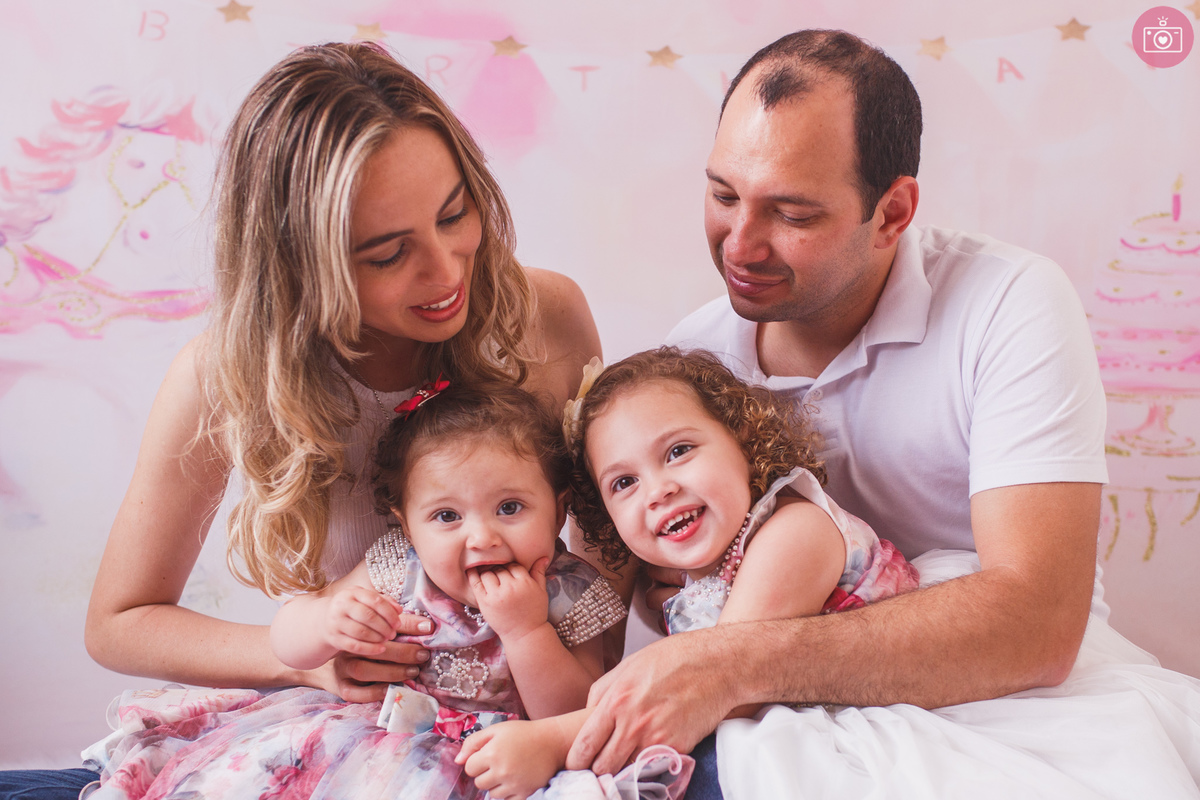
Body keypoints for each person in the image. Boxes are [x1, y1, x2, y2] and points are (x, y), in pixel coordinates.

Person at [566, 29, 1200, 798]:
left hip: (1019, 709)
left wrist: (726, 664)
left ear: (892, 211)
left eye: (792, 214)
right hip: (798, 726)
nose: (741, 243)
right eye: (724, 195)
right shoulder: (691, 372)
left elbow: (1038, 621)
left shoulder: (1009, 304)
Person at [0, 41, 601, 800]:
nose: (447, 271)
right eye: (386, 255)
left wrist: (553, 702)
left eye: (456, 214)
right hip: (357, 740)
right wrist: (301, 658)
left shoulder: (543, 319)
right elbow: (119, 620)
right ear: (300, 263)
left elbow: (600, 576)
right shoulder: (225, 376)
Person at [83, 381, 681, 800]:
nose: (482, 537)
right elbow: (290, 643)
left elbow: (576, 713)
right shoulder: (401, 566)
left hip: (503, 763)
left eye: (509, 507)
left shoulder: (569, 591)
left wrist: (525, 631)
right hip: (370, 743)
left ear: (559, 509)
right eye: (447, 516)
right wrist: (325, 625)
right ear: (406, 523)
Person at [454, 347, 919, 799]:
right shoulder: (692, 577)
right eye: (624, 483)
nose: (658, 490)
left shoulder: (795, 533)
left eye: (678, 451)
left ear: (744, 441)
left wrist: (553, 741)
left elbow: (719, 679)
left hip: (854, 725)